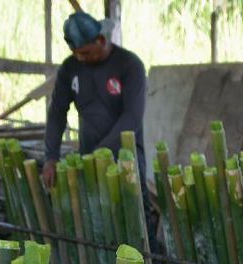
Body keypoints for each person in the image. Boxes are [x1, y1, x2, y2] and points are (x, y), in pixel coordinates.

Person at [42, 11, 158, 248]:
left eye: (85, 52)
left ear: (101, 40)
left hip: (127, 160)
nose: (81, 58)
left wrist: (101, 153)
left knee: (137, 228)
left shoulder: (129, 65)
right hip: (90, 161)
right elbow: (57, 113)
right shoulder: (70, 69)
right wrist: (51, 156)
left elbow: (132, 117)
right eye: (76, 53)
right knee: (99, 227)